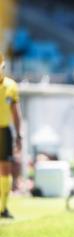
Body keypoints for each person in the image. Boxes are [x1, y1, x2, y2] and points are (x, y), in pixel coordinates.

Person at [0, 53, 23, 219]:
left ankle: (3, 207)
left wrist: (19, 135)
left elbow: (16, 113)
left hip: (4, 131)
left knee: (5, 169)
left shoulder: (11, 86)